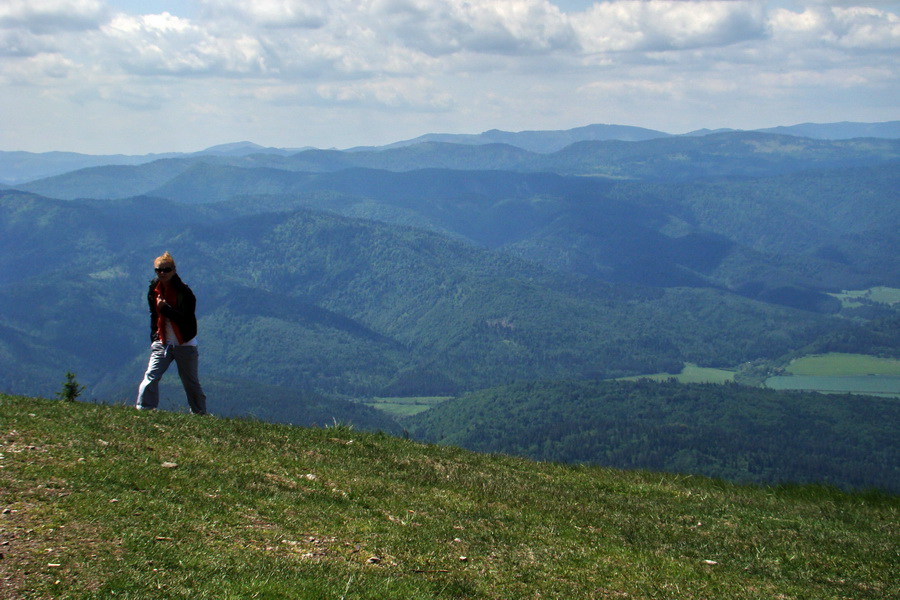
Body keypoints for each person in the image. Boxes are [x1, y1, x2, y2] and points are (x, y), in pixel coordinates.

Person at [135, 251, 207, 414]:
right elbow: (154, 315)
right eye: (158, 270)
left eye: (166, 270)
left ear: (174, 270)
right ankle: (144, 409)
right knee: (151, 375)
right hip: (163, 341)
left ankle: (200, 413)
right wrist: (155, 338)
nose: (162, 273)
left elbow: (187, 319)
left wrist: (165, 310)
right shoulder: (154, 288)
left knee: (190, 382)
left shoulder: (185, 292)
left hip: (185, 344)